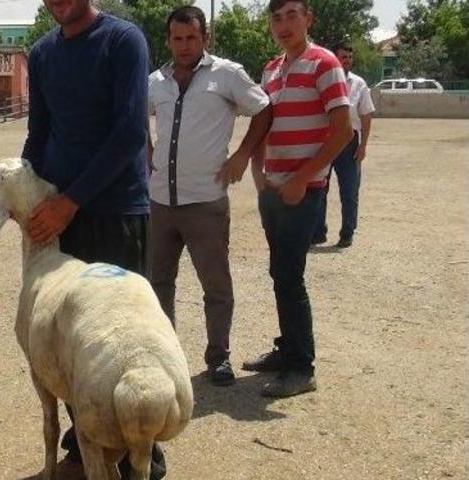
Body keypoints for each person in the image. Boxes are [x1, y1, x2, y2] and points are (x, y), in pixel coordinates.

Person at [21, 0, 165, 478]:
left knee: (126, 339)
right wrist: (29, 195)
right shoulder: (41, 53)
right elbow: (39, 133)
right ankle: (85, 451)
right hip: (64, 220)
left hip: (115, 211)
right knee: (70, 343)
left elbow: (128, 132)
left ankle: (146, 455)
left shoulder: (124, 40)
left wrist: (71, 201)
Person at [147, 6, 272, 387]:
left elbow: (264, 108)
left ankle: (219, 357)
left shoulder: (227, 75)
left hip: (205, 202)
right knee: (157, 283)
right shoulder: (154, 81)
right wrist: (146, 150)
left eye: (192, 38)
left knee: (215, 285)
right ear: (168, 40)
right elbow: (136, 115)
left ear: (205, 39)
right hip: (160, 202)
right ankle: (163, 355)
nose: (184, 46)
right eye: (177, 38)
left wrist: (241, 156)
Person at [244, 0, 352, 397]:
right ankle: (287, 348)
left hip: (302, 191)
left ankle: (301, 368)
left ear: (309, 19)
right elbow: (264, 121)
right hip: (273, 189)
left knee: (289, 276)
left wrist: (302, 179)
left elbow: (342, 130)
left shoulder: (325, 64)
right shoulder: (272, 68)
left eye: (292, 15)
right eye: (276, 18)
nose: (284, 25)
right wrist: (258, 171)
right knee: (280, 272)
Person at [312, 39, 374, 249]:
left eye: (349, 57)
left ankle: (347, 232)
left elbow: (366, 115)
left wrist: (363, 145)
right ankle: (318, 232)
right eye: (342, 56)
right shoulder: (322, 80)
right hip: (326, 139)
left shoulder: (359, 84)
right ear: (334, 57)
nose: (346, 60)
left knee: (349, 189)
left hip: (349, 141)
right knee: (319, 187)